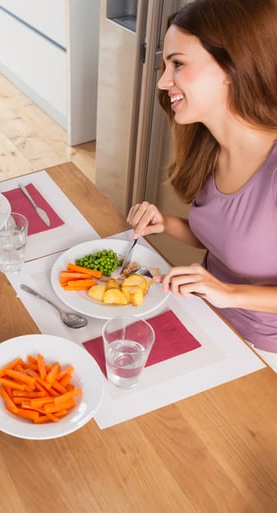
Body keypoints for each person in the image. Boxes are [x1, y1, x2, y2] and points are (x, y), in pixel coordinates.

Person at [126, 0, 277, 364]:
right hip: (204, 316)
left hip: (261, 351)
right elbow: (231, 242)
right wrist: (167, 224)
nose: (163, 81)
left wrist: (229, 293)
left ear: (232, 66)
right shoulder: (211, 147)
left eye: (177, 64)